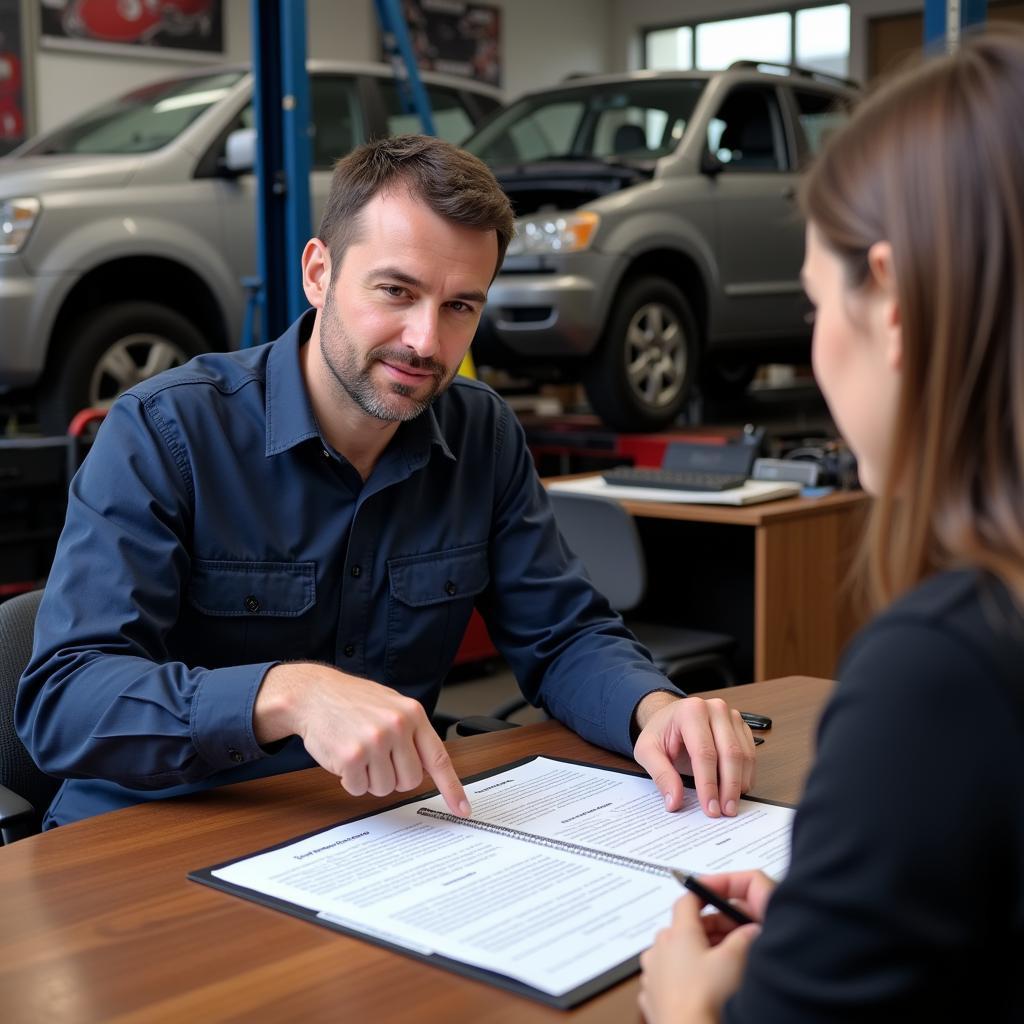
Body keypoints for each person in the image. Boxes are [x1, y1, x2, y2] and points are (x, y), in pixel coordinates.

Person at [16, 134, 755, 830]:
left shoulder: (482, 436)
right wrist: (287, 694)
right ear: (318, 273)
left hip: (375, 840)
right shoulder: (164, 432)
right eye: (396, 291)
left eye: (460, 305)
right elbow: (64, 700)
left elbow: (561, 636)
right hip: (151, 845)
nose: (427, 342)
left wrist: (653, 708)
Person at [638, 30, 1024, 1023]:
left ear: (889, 299)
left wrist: (686, 1006)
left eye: (814, 301)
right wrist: (840, 928)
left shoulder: (944, 672)